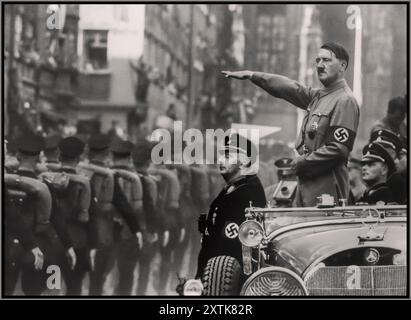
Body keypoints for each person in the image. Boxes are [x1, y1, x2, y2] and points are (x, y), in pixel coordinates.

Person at [222, 42, 360, 207]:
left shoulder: (344, 100)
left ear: (342, 65)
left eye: (326, 60)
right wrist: (254, 76)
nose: (320, 66)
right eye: (317, 60)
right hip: (307, 187)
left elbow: (338, 149)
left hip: (327, 191)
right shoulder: (320, 97)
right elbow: (291, 88)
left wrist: (299, 163)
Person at [195, 132, 266, 279]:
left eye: (227, 156)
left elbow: (230, 246)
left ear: (244, 161)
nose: (220, 160)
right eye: (221, 156)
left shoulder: (247, 191)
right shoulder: (235, 187)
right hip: (217, 273)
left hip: (225, 277)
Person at [49, 136, 91, 295]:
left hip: (51, 238)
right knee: (74, 287)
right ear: (79, 159)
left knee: (51, 285)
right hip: (77, 239)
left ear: (59, 157)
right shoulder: (84, 182)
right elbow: (88, 217)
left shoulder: (46, 178)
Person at [110, 139, 145, 295]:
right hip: (129, 230)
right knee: (127, 272)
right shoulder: (139, 179)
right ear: (130, 157)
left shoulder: (104, 174)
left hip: (107, 228)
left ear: (112, 156)